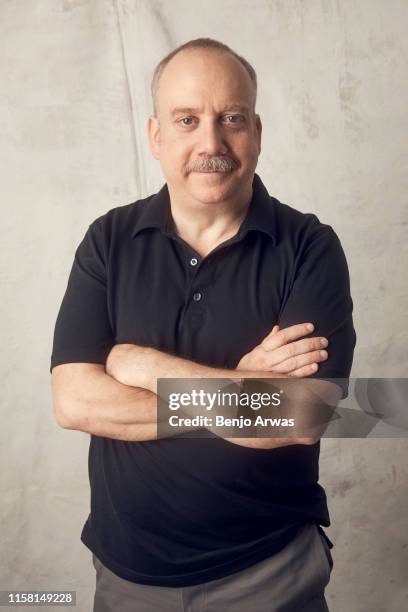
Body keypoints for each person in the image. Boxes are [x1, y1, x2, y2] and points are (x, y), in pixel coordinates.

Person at [50, 38, 356, 611]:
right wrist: (238, 388)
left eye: (231, 119)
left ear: (257, 132)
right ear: (156, 135)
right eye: (187, 119)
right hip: (128, 579)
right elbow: (74, 403)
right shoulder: (108, 240)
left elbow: (301, 416)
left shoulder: (310, 246)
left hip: (269, 575)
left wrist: (140, 365)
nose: (210, 142)